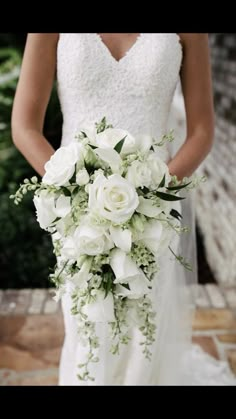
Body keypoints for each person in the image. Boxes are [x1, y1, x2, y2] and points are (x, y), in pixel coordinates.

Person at [11, 33, 235, 385]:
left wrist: (151, 197)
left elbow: (202, 131)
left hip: (154, 214)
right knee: (88, 331)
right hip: (79, 218)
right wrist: (75, 192)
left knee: (145, 335)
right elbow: (24, 126)